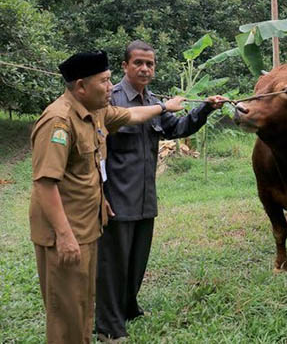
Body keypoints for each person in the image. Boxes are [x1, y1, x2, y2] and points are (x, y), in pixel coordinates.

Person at [29, 50, 187, 344]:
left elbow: (134, 114)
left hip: (87, 225)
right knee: (66, 312)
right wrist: (64, 235)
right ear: (80, 86)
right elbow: (45, 184)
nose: (110, 87)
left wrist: (164, 106)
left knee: (84, 303)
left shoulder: (96, 112)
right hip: (65, 230)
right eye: (104, 81)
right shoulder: (59, 121)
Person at [95, 41, 226, 342]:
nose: (145, 68)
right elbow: (95, 152)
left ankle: (129, 308)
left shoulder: (152, 101)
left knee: (136, 260)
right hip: (116, 198)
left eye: (150, 64)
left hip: (144, 197)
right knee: (112, 264)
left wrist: (205, 108)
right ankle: (108, 327)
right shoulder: (110, 100)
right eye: (138, 62)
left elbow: (177, 128)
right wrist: (100, 195)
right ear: (125, 65)